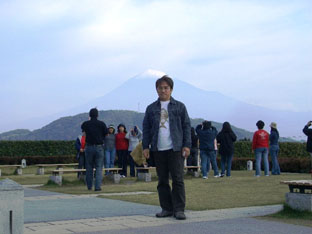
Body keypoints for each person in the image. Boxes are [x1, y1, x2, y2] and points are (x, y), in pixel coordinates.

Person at [143, 75, 191, 220]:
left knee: (177, 179)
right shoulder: (151, 108)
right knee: (162, 180)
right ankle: (166, 208)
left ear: (171, 89)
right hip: (158, 149)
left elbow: (186, 126)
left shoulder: (180, 106)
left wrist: (187, 145)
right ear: (156, 90)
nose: (163, 90)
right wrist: (146, 146)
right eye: (160, 88)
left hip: (175, 148)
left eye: (166, 88)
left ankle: (179, 209)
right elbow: (146, 128)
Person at [81, 108, 107, 191]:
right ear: (97, 115)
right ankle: (97, 187)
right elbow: (106, 134)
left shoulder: (85, 124)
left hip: (89, 147)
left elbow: (84, 133)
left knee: (89, 167)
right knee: (99, 167)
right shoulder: (101, 124)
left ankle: (89, 186)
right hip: (99, 147)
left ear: (89, 115)